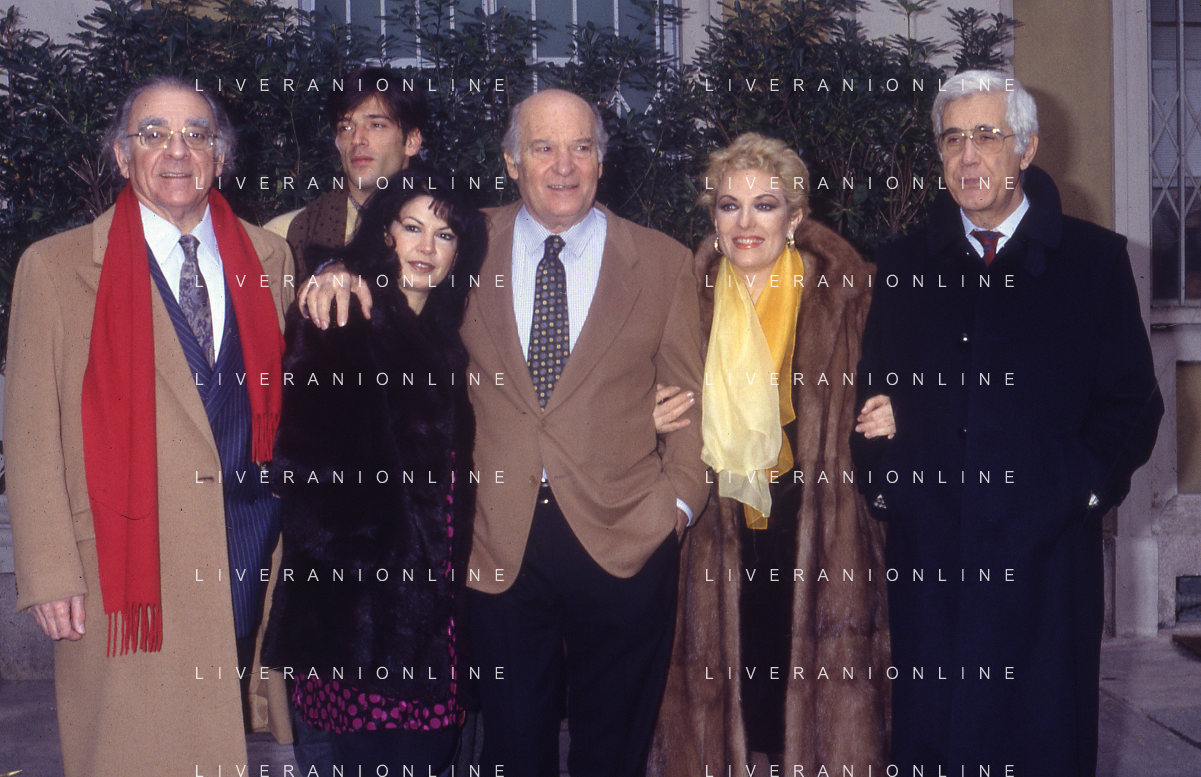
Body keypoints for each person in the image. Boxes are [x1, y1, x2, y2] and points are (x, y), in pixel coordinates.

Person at [302, 88, 709, 777]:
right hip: (494, 541)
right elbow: (387, 262)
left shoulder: (663, 261)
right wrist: (332, 269)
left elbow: (691, 401)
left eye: (581, 147)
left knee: (613, 751)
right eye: (543, 148)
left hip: (626, 536)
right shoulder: (465, 238)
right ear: (512, 162)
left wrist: (675, 506)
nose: (563, 165)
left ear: (601, 161)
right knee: (514, 750)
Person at [852, 70, 1164, 776]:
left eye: (987, 136)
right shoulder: (903, 265)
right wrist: (888, 486)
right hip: (932, 560)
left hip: (1046, 562)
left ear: (1025, 148)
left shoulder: (1093, 262)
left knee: (1039, 742)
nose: (968, 156)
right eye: (952, 139)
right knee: (934, 744)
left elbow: (1132, 403)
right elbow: (871, 399)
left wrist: (1075, 491)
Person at [5, 76, 292, 776]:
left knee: (220, 732)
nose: (176, 151)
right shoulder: (55, 266)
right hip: (122, 559)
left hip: (248, 541)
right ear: (120, 154)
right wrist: (48, 571)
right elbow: (31, 432)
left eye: (196, 134)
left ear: (221, 157)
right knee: (131, 747)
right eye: (153, 134)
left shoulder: (269, 257)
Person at [649, 133, 893, 775]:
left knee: (812, 710)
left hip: (821, 529)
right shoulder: (682, 298)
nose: (746, 222)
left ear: (797, 216)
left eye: (766, 204)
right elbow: (625, 387)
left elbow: (908, 376)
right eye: (730, 206)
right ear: (713, 217)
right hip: (715, 525)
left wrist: (900, 411)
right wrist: (644, 417)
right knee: (729, 704)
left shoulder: (851, 295)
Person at [261, 169, 485, 774]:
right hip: (363, 611)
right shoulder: (344, 313)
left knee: (429, 754)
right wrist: (373, 572)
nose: (426, 247)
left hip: (431, 610)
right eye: (412, 228)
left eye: (444, 235)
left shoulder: (442, 335)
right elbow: (303, 468)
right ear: (386, 233)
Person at [265, 65, 426, 277]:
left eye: (376, 125)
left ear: (412, 141)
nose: (357, 139)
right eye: (345, 128)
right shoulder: (282, 236)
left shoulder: (448, 230)